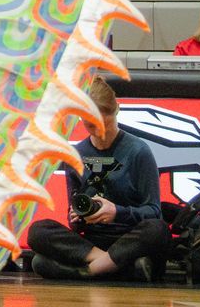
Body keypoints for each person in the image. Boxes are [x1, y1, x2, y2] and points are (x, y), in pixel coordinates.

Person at [25, 78, 172, 281]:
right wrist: (76, 218)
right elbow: (76, 219)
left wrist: (117, 213)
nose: (100, 133)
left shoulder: (139, 150)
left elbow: (154, 212)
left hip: (129, 239)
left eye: (106, 124)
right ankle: (110, 264)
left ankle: (88, 271)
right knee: (38, 231)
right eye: (91, 126)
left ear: (117, 110)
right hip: (93, 243)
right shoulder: (77, 154)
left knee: (158, 230)